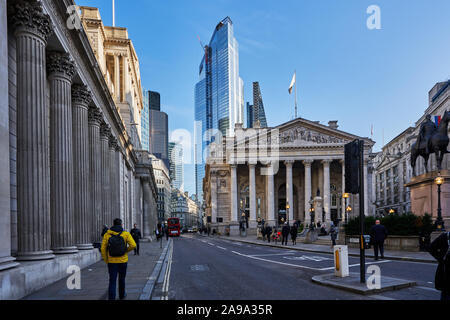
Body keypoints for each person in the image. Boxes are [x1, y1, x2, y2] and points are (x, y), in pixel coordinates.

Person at [101, 218, 136, 300]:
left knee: (112, 281)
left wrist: (106, 260)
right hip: (123, 260)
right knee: (122, 279)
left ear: (113, 224)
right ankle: (122, 295)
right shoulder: (125, 234)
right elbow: (133, 245)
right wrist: (125, 251)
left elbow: (103, 249)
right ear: (121, 224)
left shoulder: (107, 234)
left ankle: (112, 297)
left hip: (112, 261)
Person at [429, 231, 450, 301]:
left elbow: (431, 248)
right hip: (446, 270)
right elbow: (431, 248)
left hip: (445, 269)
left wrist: (441, 259)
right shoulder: (445, 236)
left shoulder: (445, 236)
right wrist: (441, 259)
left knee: (446, 293)